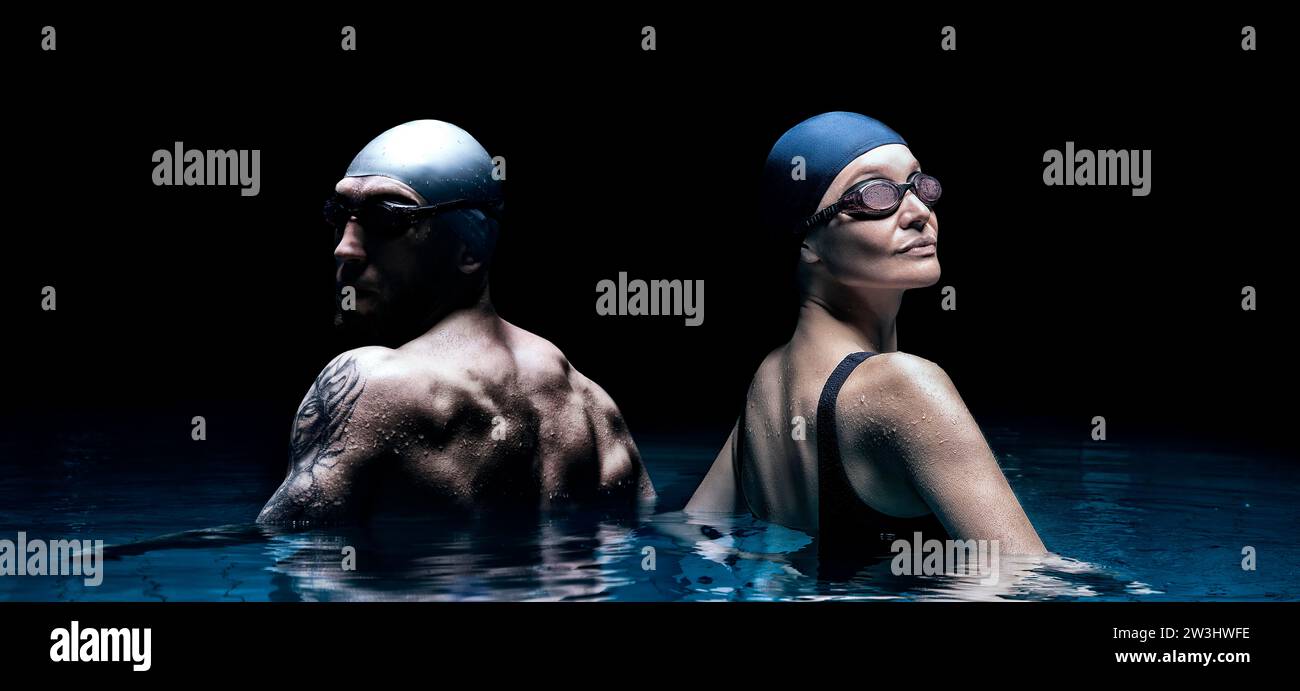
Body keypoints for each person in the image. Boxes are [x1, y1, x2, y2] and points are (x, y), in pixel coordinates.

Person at [258, 120, 654, 524]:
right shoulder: (594, 410)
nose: (345, 248)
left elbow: (290, 563)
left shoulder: (373, 381)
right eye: (339, 214)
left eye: (388, 219)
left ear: (471, 248)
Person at [686, 112, 1044, 556]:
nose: (918, 213)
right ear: (807, 243)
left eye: (920, 185)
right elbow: (1027, 578)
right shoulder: (904, 386)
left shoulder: (768, 379)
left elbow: (695, 528)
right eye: (875, 196)